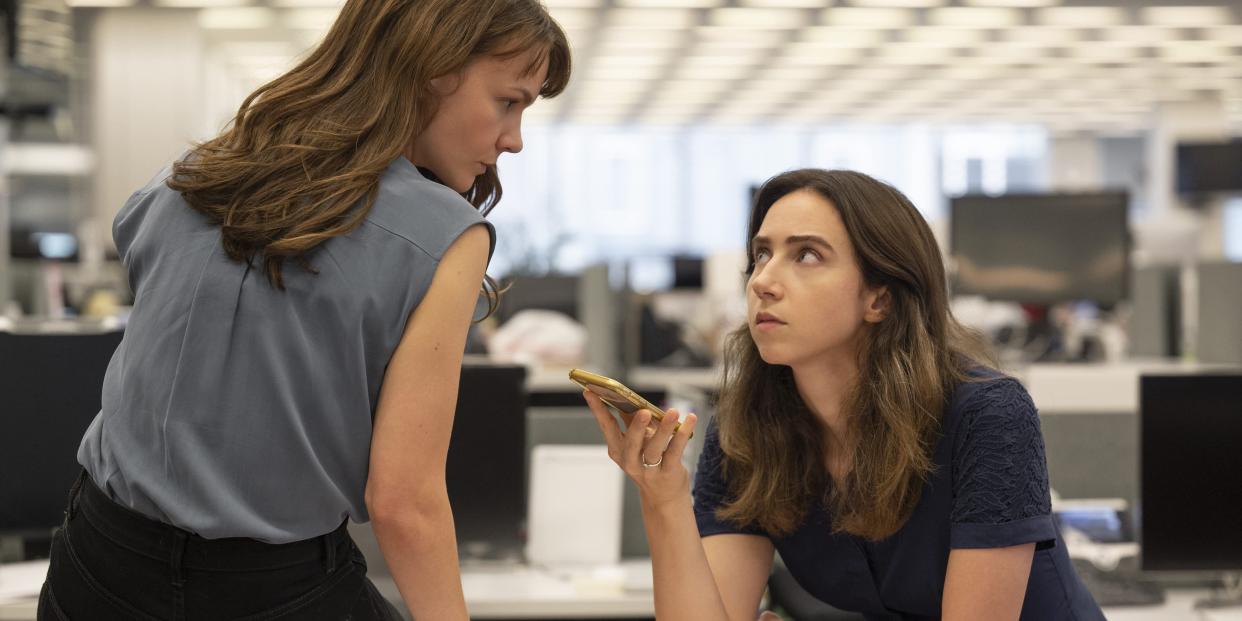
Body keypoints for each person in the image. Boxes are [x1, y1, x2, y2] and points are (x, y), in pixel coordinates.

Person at [39, 1, 569, 619]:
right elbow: (404, 504)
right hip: (273, 588)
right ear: (435, 68)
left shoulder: (190, 177)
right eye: (510, 101)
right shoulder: (446, 234)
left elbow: (142, 270)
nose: (515, 139)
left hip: (96, 562)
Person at [582, 169, 1105, 620]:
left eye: (806, 255)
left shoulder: (986, 415)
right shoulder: (748, 427)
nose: (763, 280)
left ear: (879, 297)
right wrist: (664, 497)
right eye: (761, 254)